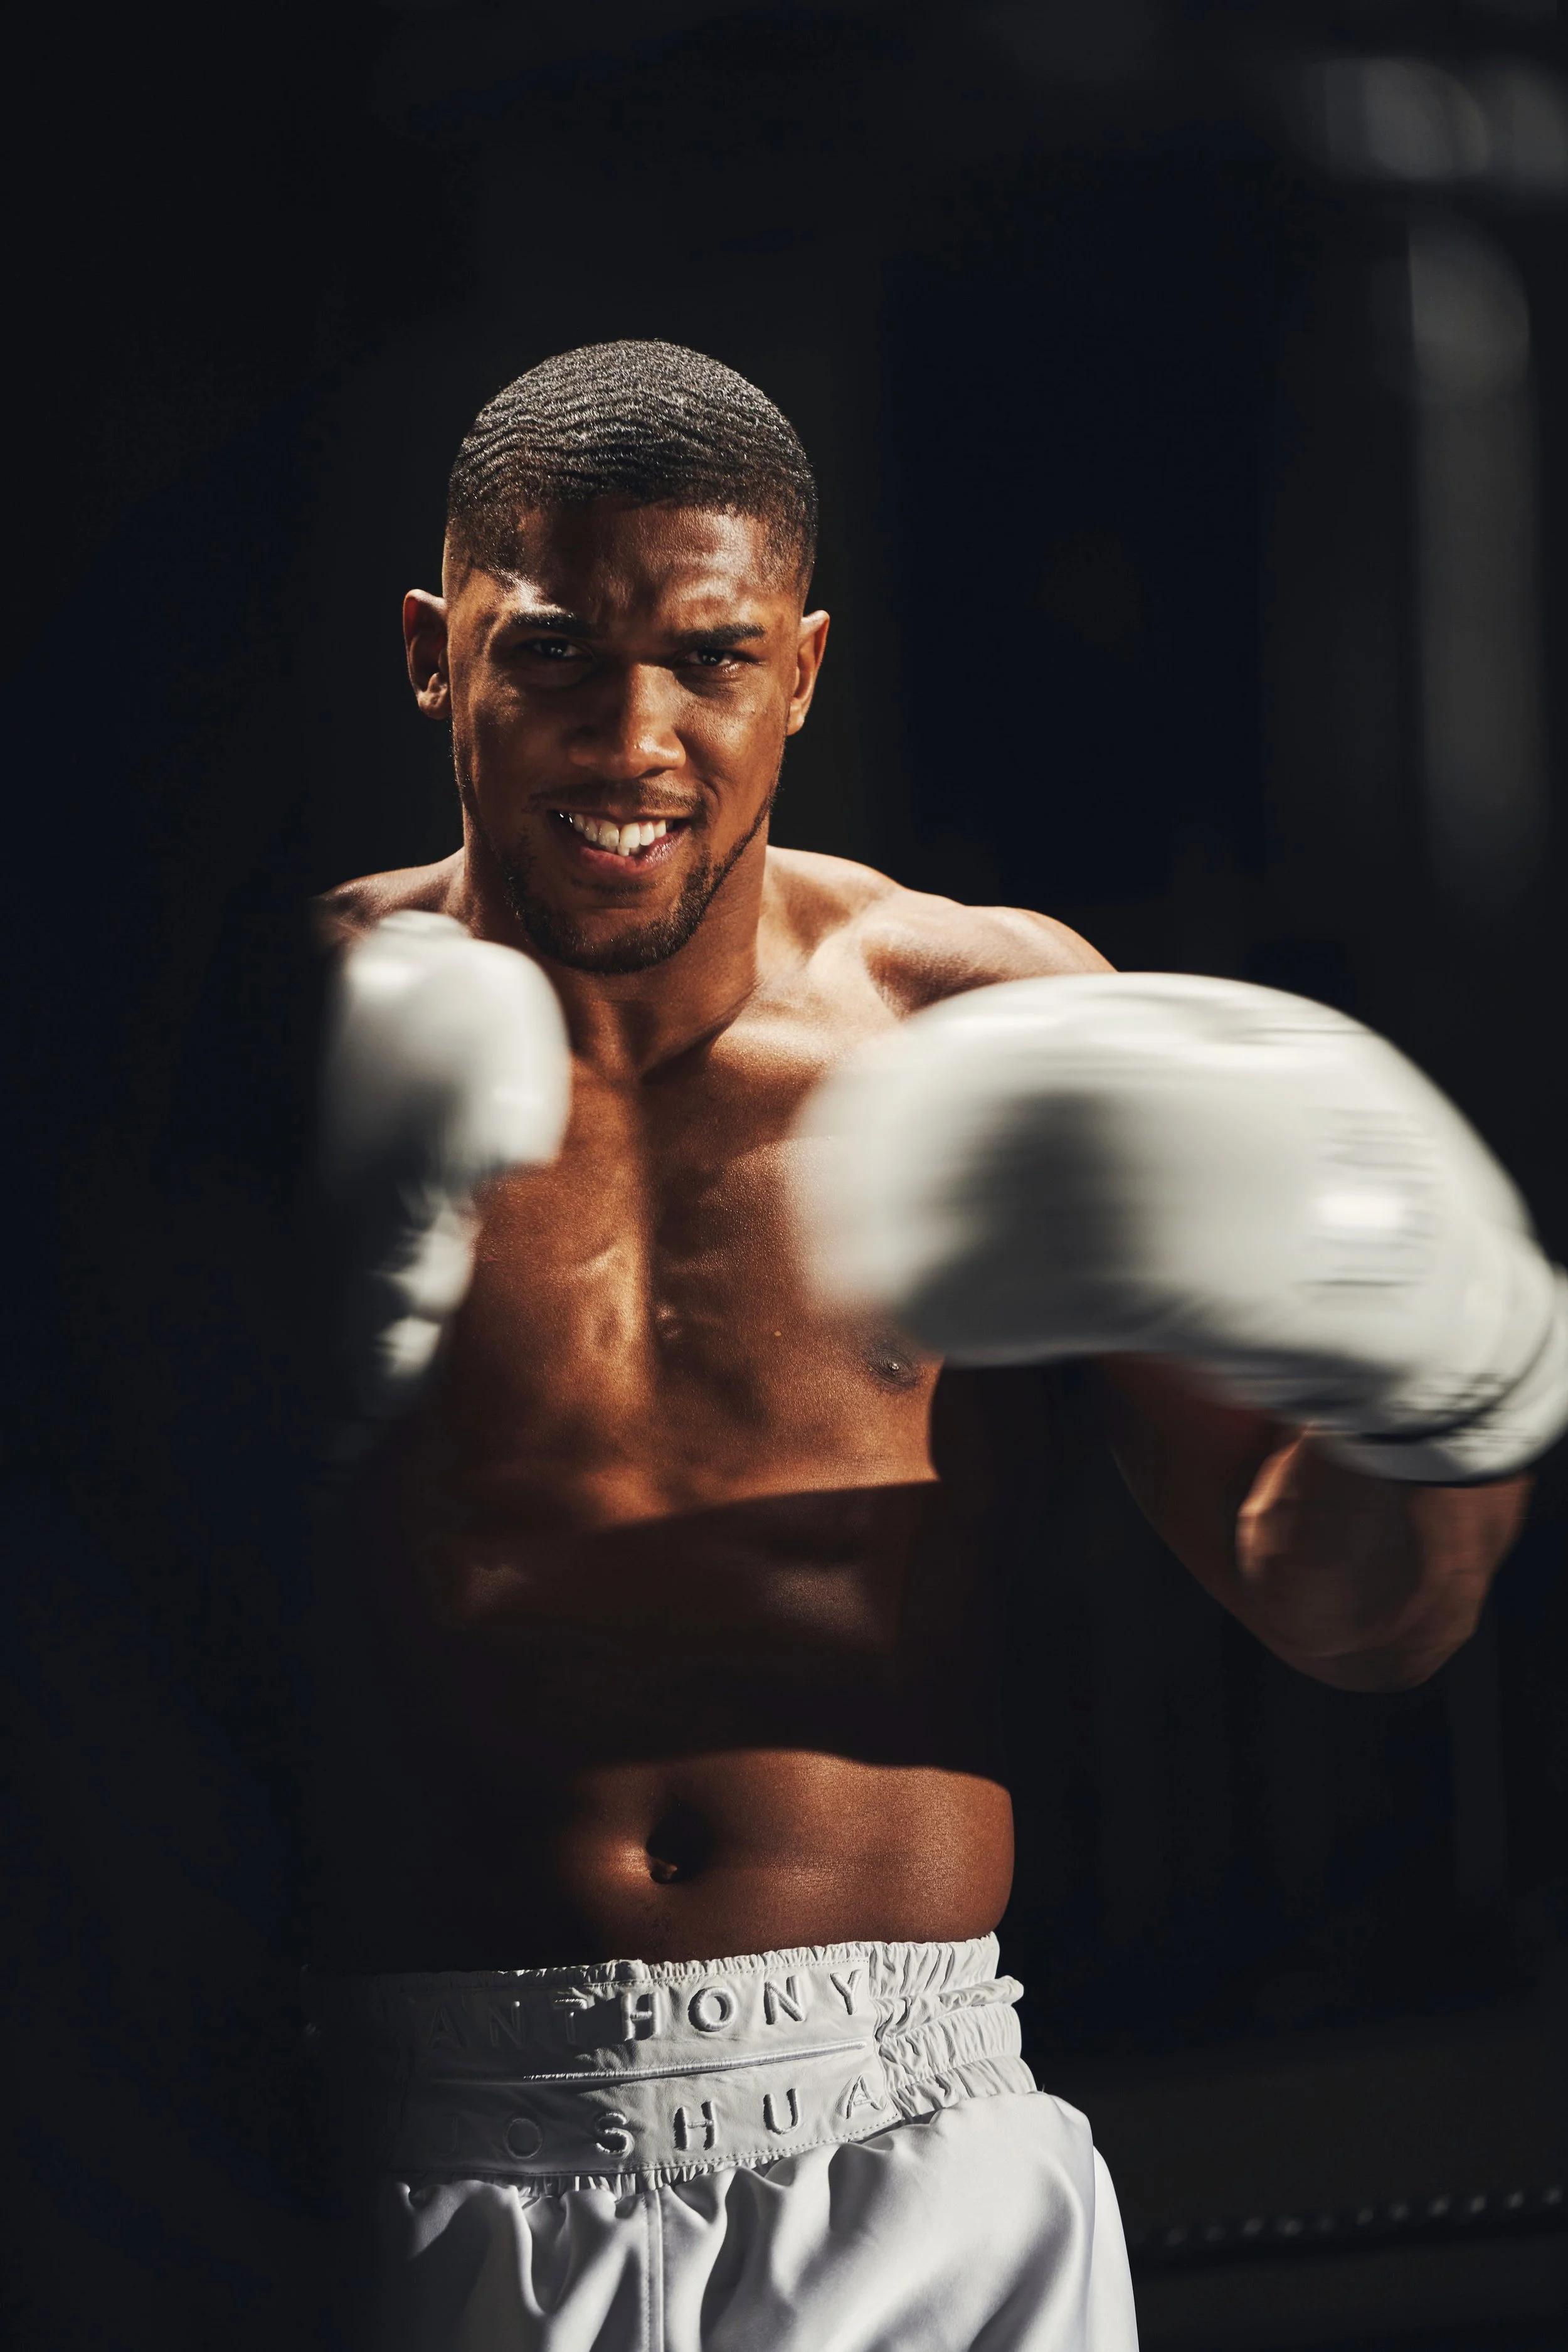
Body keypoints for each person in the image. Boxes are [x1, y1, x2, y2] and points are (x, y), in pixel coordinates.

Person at [312, 341, 1564, 2351]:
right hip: (400, 2151)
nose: (632, 737)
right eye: (550, 653)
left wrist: (1456, 1381)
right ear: (428, 652)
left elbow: (1357, 1621)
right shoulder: (258, 1061)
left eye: (709, 659)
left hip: (903, 2161)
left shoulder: (981, 1022)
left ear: (800, 669)